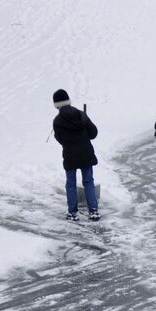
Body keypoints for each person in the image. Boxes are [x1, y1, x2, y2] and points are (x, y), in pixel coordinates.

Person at [52, 89, 100, 221]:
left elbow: (60, 139)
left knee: (71, 184)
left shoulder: (57, 121)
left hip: (70, 155)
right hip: (86, 153)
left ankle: (72, 212)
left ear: (56, 105)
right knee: (88, 182)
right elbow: (93, 133)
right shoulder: (81, 114)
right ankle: (94, 211)